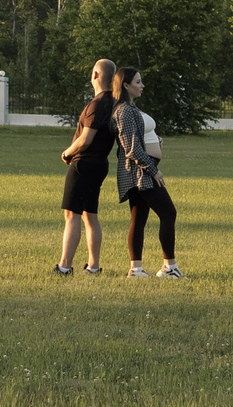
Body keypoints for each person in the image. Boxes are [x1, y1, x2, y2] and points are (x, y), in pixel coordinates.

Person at [116, 66, 182, 279]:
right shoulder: (125, 111)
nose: (142, 85)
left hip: (142, 169)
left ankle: (136, 269)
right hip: (140, 172)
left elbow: (139, 139)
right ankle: (169, 268)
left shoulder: (130, 109)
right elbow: (131, 148)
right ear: (126, 85)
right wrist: (154, 171)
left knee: (139, 218)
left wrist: (156, 141)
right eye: (137, 82)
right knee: (168, 213)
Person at [55, 58, 120, 275]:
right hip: (100, 164)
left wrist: (67, 152)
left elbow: (85, 139)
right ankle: (93, 267)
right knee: (89, 214)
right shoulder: (115, 102)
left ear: (94, 75)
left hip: (84, 164)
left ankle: (64, 266)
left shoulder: (98, 103)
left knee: (71, 214)